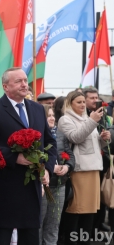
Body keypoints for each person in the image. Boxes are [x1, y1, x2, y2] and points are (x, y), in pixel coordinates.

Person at [0, 68, 57, 245]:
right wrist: (14, 157)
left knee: (30, 238)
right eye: (18, 81)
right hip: (6, 187)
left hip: (32, 187)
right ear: (5, 86)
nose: (24, 84)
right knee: (2, 238)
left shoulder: (37, 109)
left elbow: (50, 143)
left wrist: (48, 169)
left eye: (25, 81)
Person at [58, 90, 110, 245]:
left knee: (90, 212)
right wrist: (92, 121)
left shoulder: (87, 118)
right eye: (78, 102)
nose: (82, 105)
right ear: (70, 103)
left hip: (93, 168)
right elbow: (76, 137)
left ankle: (84, 242)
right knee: (76, 211)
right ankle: (70, 241)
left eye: (83, 102)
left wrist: (102, 139)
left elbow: (91, 144)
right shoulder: (65, 120)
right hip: (79, 171)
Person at [39, 104, 75, 245]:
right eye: (48, 115)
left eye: (53, 115)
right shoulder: (36, 135)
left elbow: (71, 156)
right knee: (39, 223)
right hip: (43, 185)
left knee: (54, 224)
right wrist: (49, 168)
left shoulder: (60, 134)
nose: (52, 118)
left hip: (59, 185)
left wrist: (67, 166)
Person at [82, 87, 112, 234]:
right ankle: (88, 228)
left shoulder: (103, 113)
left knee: (101, 196)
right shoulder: (82, 115)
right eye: (92, 98)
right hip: (87, 163)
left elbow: (108, 129)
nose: (96, 100)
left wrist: (108, 135)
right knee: (89, 198)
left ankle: (98, 224)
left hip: (103, 160)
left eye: (97, 97)